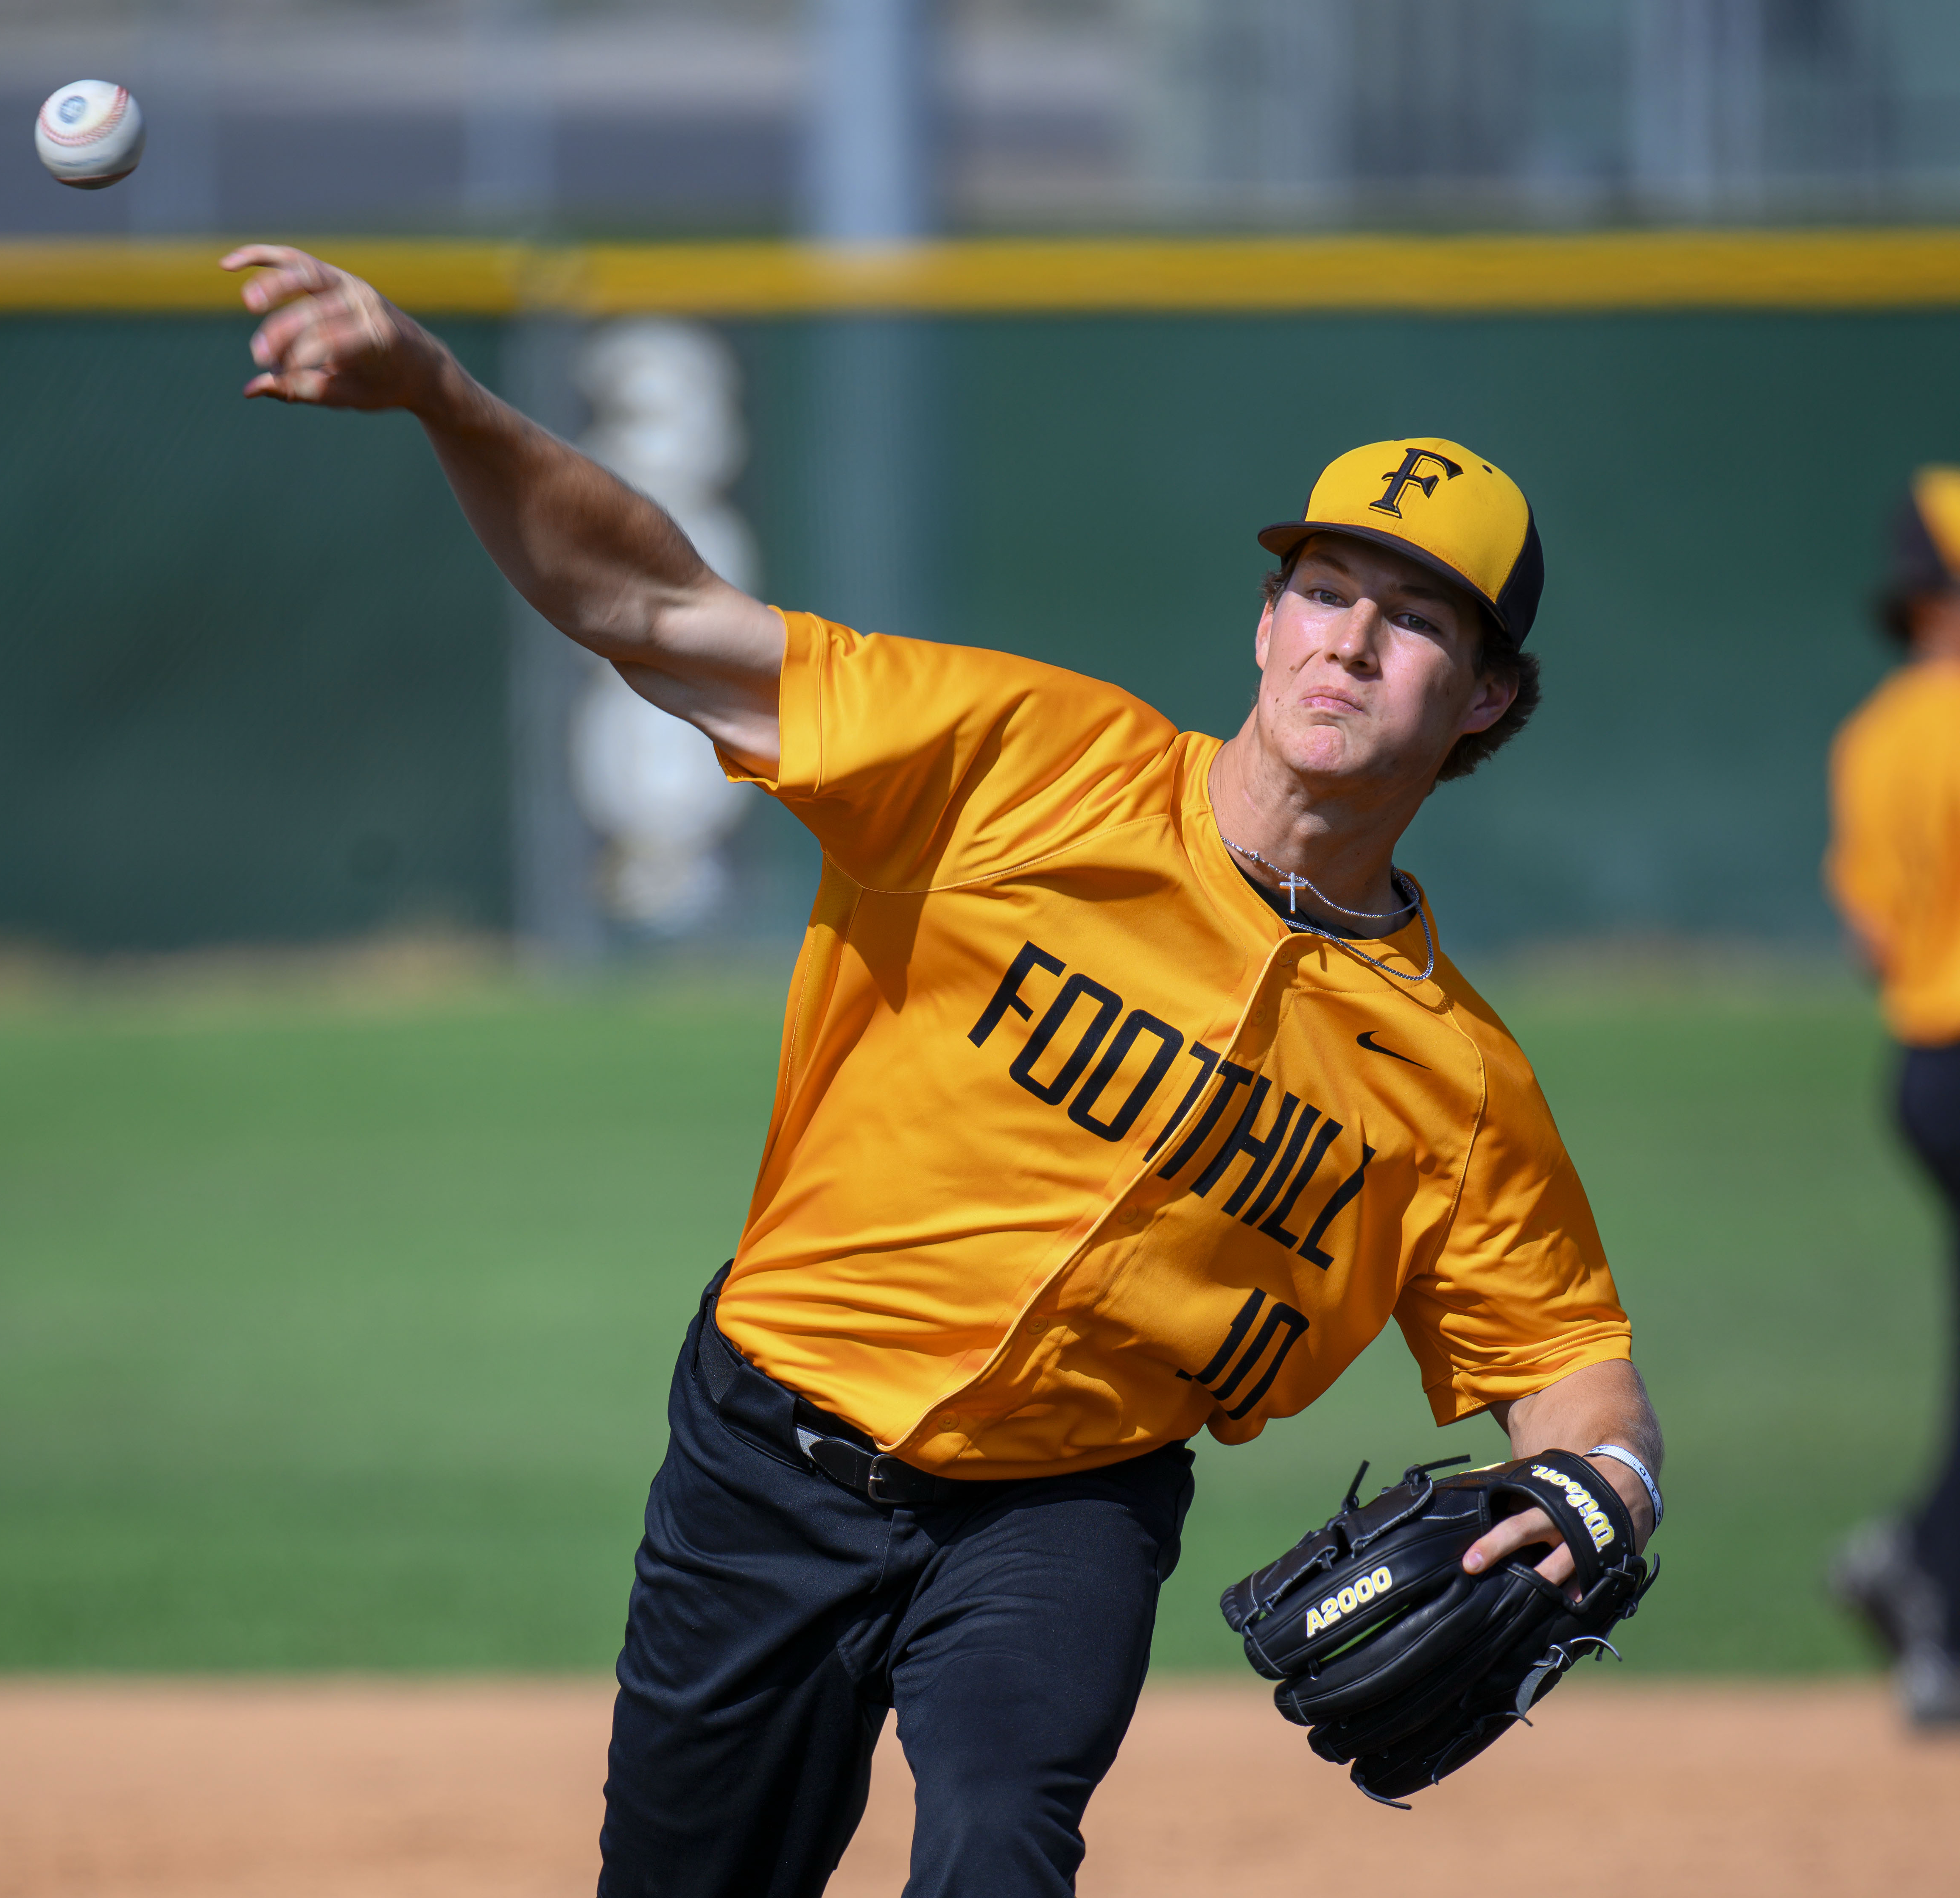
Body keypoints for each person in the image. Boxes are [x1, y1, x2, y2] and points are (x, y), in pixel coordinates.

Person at [219, 244, 1666, 1895]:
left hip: (1065, 1505)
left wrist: (1601, 1480)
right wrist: (440, 394)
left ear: (1484, 701)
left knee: (999, 1842)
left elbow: (1573, 1365)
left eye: (1414, 622)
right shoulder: (1017, 760)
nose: (1351, 642)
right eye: (1327, 591)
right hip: (776, 1439)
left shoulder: (1459, 1079)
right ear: (1266, 622)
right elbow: (646, 607)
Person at [1825, 467, 1960, 1728]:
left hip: (1923, 1063)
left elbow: (1869, 929)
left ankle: (1924, 1573)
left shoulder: (1872, 734)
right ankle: (1925, 1575)